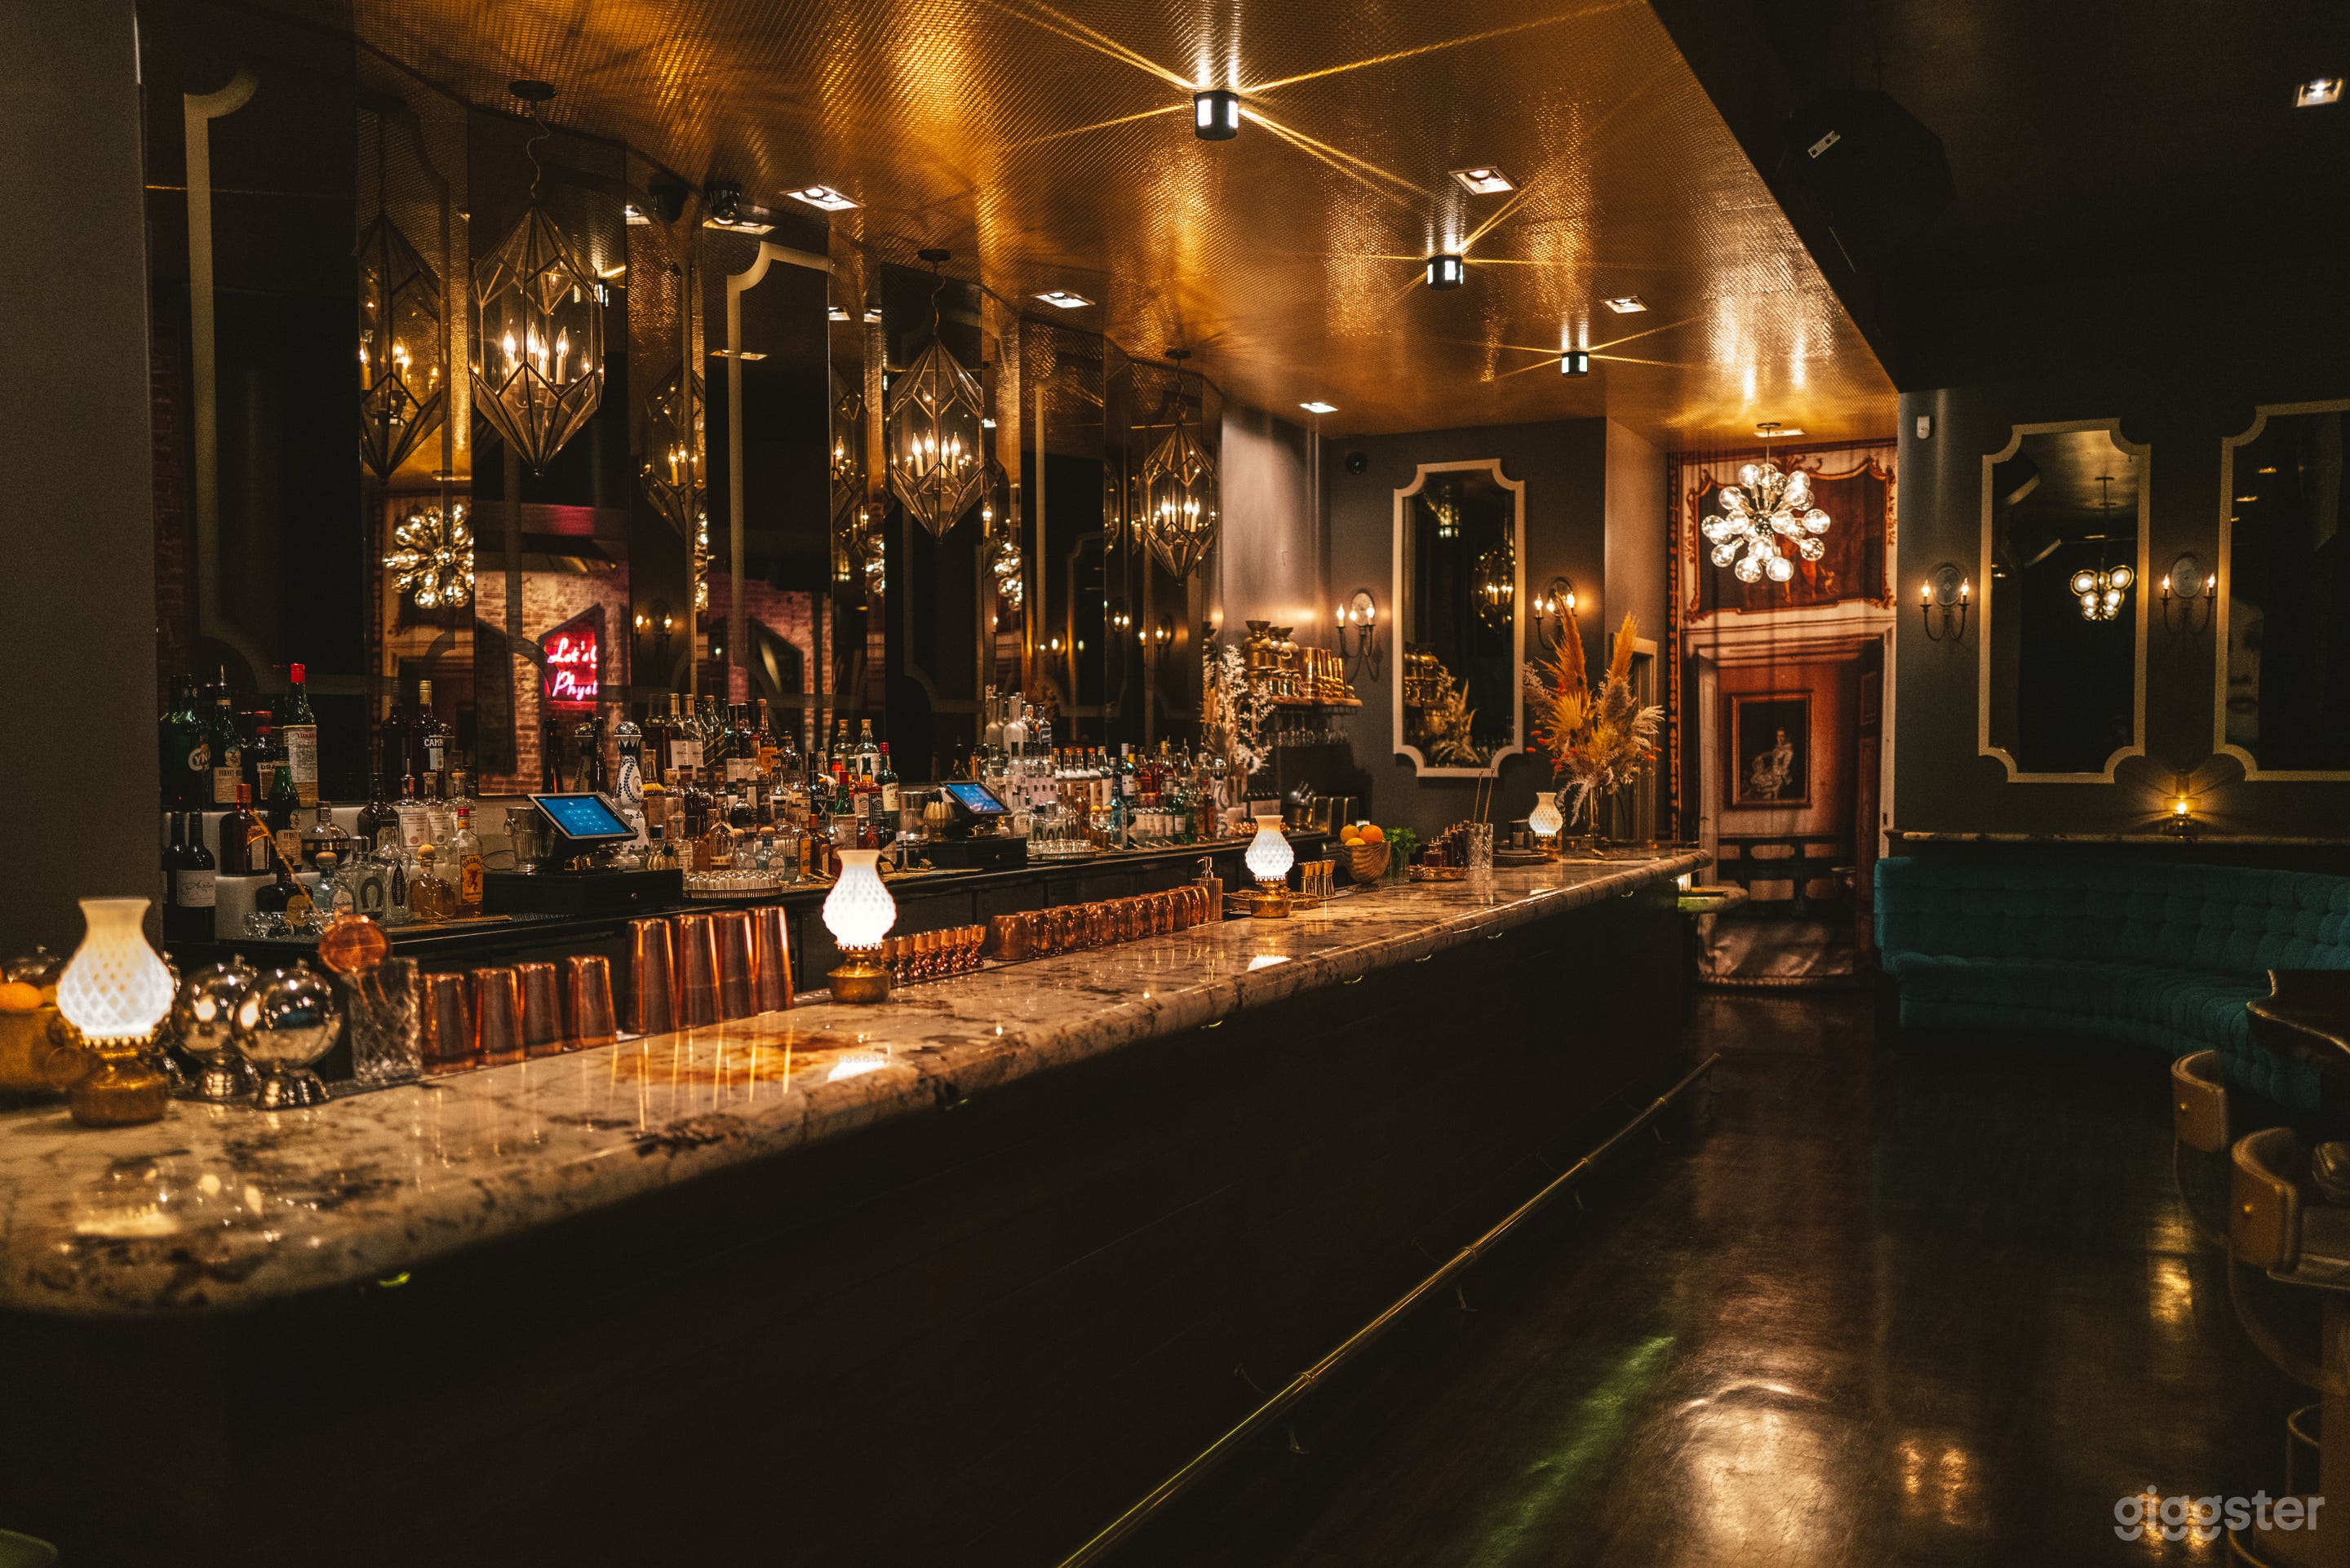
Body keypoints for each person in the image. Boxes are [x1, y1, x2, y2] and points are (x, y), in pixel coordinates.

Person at [1746, 725, 1798, 800]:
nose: (1780, 739)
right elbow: (1772, 754)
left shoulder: (1789, 752)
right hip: (1772, 771)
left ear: (1788, 737)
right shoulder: (1779, 748)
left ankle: (1770, 794)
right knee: (1755, 778)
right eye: (1778, 736)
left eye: (1782, 736)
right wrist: (1762, 756)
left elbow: (1785, 767)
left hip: (1780, 775)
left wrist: (1773, 773)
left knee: (1757, 780)